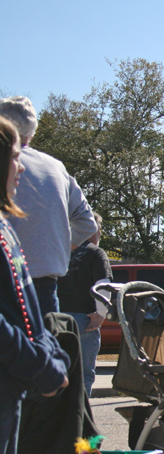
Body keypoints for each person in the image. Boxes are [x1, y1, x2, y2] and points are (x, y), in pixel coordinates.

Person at [0, 116, 70, 454]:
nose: (21, 166)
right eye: (13, 157)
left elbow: (23, 306)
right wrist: (40, 363)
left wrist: (49, 349)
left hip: (11, 387)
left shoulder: (6, 226)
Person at [0, 97, 97, 314]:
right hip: (46, 287)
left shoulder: (8, 164)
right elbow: (87, 224)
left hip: (6, 283)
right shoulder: (56, 168)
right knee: (44, 345)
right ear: (32, 132)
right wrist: (54, 246)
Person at [56, 213, 112, 397]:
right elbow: (103, 285)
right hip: (84, 322)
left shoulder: (60, 250)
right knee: (84, 375)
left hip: (57, 321)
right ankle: (80, 420)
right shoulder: (96, 253)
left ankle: (57, 420)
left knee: (59, 374)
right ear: (93, 230)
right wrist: (101, 313)